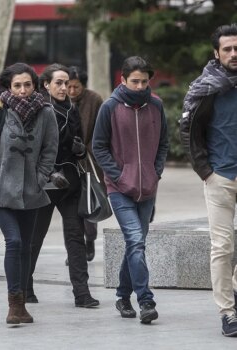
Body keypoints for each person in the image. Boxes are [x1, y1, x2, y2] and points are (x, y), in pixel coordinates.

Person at [0, 62, 59, 324]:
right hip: (2, 192)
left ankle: (22, 304)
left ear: (35, 85)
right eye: (17, 85)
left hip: (32, 191)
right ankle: (13, 304)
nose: (22, 90)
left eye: (27, 85)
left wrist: (40, 177)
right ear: (8, 87)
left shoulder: (46, 112)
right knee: (14, 242)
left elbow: (50, 150)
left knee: (27, 247)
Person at [93, 56, 168, 324]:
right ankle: (146, 301)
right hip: (119, 189)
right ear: (122, 80)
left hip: (148, 188)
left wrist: (156, 171)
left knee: (134, 245)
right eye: (134, 81)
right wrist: (118, 175)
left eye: (144, 81)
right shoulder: (110, 107)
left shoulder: (156, 105)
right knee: (135, 241)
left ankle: (122, 296)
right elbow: (98, 146)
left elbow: (163, 144)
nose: (139, 86)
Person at [26, 63, 100, 308]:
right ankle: (25, 287)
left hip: (69, 182)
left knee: (75, 238)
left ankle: (82, 293)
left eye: (66, 83)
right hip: (44, 183)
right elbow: (32, 149)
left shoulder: (72, 109)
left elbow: (76, 144)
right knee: (35, 237)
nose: (63, 87)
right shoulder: (37, 109)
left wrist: (79, 149)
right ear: (45, 85)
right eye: (58, 83)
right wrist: (47, 173)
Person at [180, 24, 237, 337]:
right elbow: (187, 130)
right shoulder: (206, 87)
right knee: (222, 247)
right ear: (217, 53)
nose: (233, 54)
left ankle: (235, 289)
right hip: (220, 177)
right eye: (227, 49)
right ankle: (227, 312)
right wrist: (206, 171)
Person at [67, 66, 103, 262]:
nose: (72, 91)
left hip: (90, 159)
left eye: (76, 87)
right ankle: (74, 248)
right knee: (70, 208)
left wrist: (88, 150)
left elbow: (101, 129)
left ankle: (90, 239)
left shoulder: (94, 99)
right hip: (68, 159)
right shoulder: (61, 99)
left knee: (89, 203)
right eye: (69, 86)